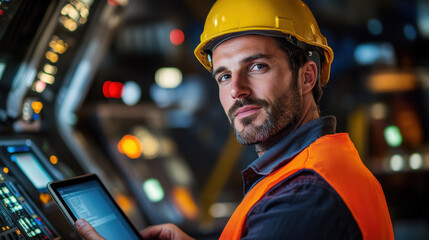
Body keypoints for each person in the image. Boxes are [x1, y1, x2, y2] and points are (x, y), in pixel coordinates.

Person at [76, 0, 394, 239]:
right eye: (224, 76)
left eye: (257, 67)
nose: (237, 90)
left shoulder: (305, 193)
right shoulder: (311, 169)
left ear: (307, 76)